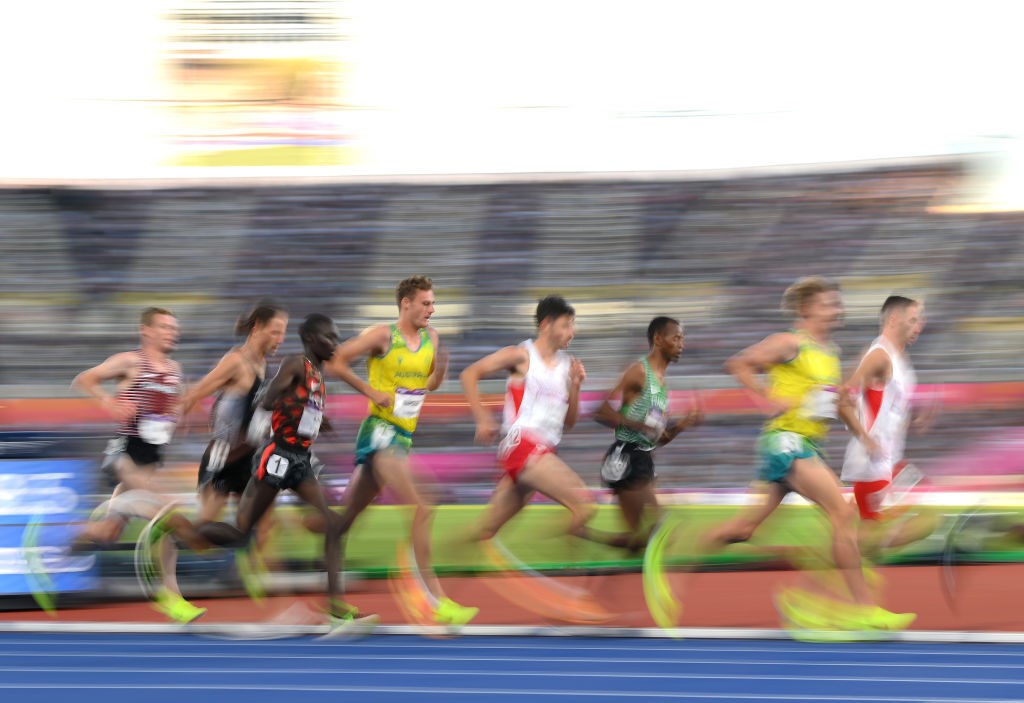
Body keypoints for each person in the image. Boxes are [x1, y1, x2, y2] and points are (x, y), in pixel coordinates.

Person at [699, 277, 915, 632]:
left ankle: (670, 554)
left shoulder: (831, 353)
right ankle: (865, 609)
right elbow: (738, 363)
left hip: (807, 445)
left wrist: (862, 435)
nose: (838, 309)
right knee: (842, 514)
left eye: (837, 303)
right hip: (786, 441)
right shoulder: (789, 343)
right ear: (806, 309)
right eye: (829, 303)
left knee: (743, 529)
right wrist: (766, 397)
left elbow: (837, 400)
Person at [324, 275, 477, 628]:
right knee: (425, 504)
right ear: (406, 304)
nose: (432, 309)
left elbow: (428, 386)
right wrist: (370, 392)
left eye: (433, 303)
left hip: (403, 439)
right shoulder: (383, 336)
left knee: (343, 520)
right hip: (379, 433)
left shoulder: (431, 338)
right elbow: (335, 362)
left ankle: (331, 593)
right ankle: (435, 599)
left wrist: (441, 369)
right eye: (426, 303)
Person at [195, 314, 352, 623]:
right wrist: (271, 432)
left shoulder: (319, 375)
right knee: (242, 533)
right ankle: (179, 530)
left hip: (300, 460)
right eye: (329, 339)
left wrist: (320, 420)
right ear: (311, 340)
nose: (336, 344)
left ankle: (336, 605)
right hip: (278, 456)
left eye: (337, 338)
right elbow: (267, 401)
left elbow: (302, 407)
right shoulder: (297, 364)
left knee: (332, 524)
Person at [71, 306, 209, 623]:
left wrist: (185, 418)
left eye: (174, 328)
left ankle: (57, 537)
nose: (172, 332)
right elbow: (85, 379)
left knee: (107, 532)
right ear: (145, 330)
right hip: (124, 457)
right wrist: (110, 402)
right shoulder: (131, 362)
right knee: (167, 512)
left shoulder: (175, 368)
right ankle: (171, 597)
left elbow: (172, 408)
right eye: (164, 327)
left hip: (149, 463)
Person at [461, 294, 593, 547]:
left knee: (485, 530)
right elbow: (470, 374)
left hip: (542, 450)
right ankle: (576, 577)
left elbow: (569, 423)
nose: (572, 332)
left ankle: (445, 555)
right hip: (523, 444)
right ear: (546, 325)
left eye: (573, 325)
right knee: (583, 504)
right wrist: (482, 418)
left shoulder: (568, 367)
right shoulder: (521, 355)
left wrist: (575, 386)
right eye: (566, 325)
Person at [180, 302, 288, 579]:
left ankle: (261, 582)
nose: (281, 339)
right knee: (202, 533)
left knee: (264, 522)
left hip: (248, 459)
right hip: (222, 458)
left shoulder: (263, 364)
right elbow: (198, 391)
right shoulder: (235, 361)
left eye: (283, 333)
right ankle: (167, 535)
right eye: (275, 332)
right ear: (257, 328)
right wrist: (185, 418)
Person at [590, 316, 703, 552]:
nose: (681, 344)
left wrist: (683, 424)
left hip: (643, 459)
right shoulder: (639, 371)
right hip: (626, 457)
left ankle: (581, 533)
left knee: (638, 541)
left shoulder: (662, 387)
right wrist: (638, 425)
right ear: (659, 339)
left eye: (683, 339)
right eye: (677, 338)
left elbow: (657, 439)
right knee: (662, 530)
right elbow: (600, 410)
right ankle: (581, 534)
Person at [840, 296, 937, 560]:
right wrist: (865, 438)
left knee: (926, 515)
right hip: (873, 465)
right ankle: (831, 563)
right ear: (894, 319)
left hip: (890, 462)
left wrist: (916, 417)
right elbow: (842, 398)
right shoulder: (880, 355)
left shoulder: (899, 358)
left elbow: (891, 406)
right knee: (922, 520)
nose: (920, 325)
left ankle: (841, 550)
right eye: (914, 319)